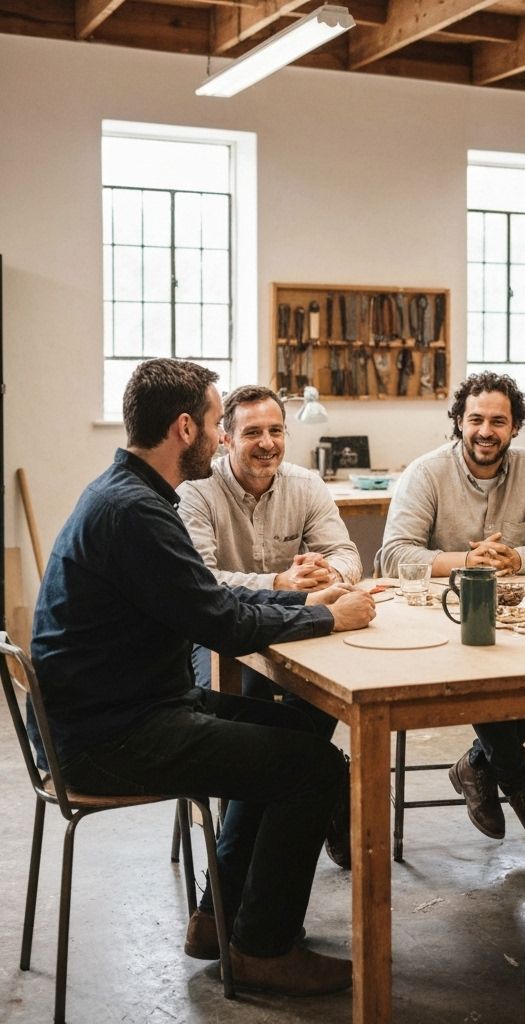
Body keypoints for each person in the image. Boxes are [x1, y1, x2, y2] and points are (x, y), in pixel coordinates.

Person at [30, 358, 377, 996]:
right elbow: (221, 622)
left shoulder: (127, 492)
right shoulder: (137, 512)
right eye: (221, 425)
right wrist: (325, 616)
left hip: (117, 711)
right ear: (186, 428)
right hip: (110, 738)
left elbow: (210, 604)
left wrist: (307, 606)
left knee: (293, 726)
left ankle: (217, 921)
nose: (223, 440)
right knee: (315, 769)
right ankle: (263, 949)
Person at [379, 371, 525, 845]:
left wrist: (518, 557)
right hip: (441, 618)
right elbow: (392, 555)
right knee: (482, 663)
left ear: (516, 426)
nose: (486, 431)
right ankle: (519, 782)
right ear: (459, 423)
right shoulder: (426, 473)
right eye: (476, 419)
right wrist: (465, 561)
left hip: (517, 617)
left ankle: (477, 765)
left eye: (499, 421)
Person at [178, 384, 362, 867]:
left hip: (288, 630)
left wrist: (329, 574)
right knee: (254, 710)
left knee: (322, 699)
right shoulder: (195, 491)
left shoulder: (305, 485)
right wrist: (280, 582)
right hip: (216, 636)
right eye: (253, 432)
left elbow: (347, 555)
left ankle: (309, 796)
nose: (267, 443)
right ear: (224, 438)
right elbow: (200, 580)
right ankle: (322, 796)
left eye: (276, 430)